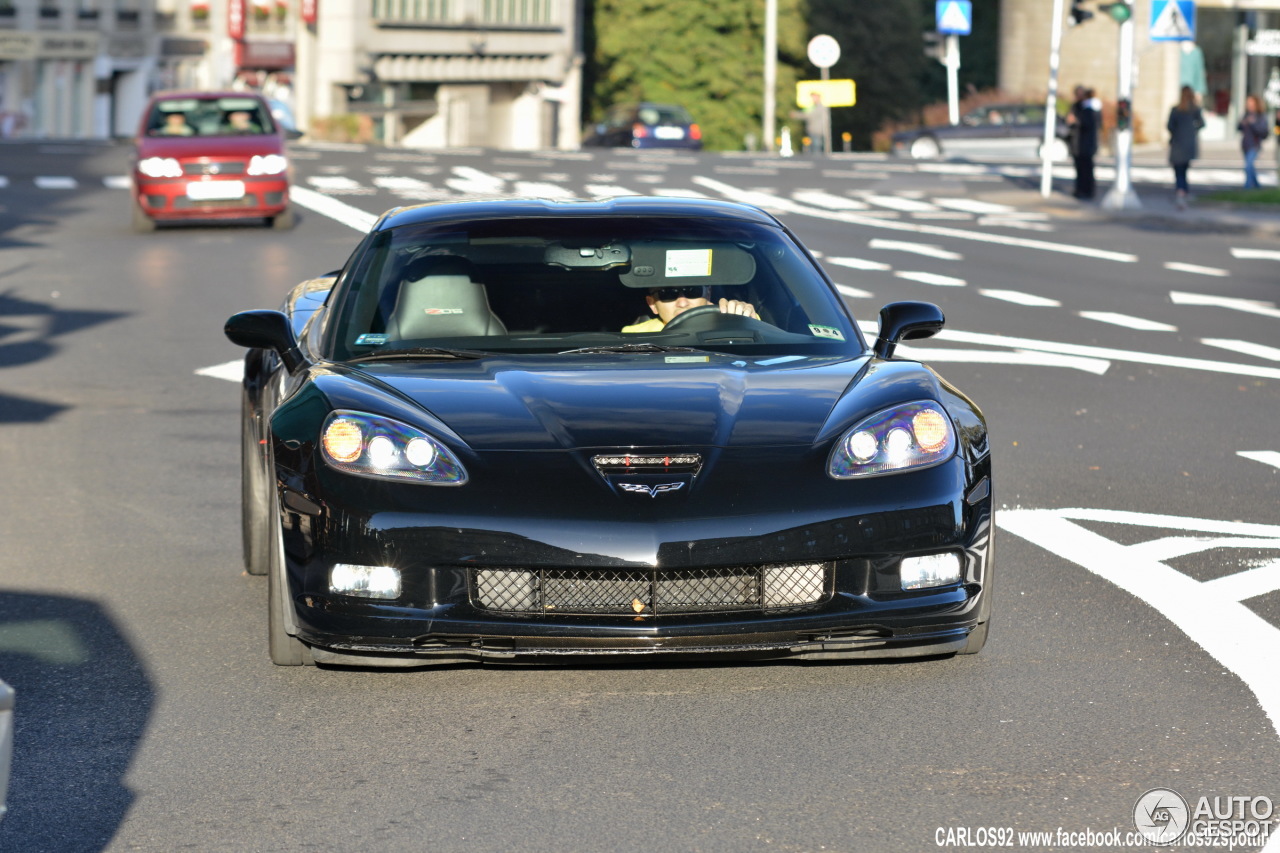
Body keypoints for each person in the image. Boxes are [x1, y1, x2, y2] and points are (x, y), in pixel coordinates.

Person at [621, 286, 758, 333]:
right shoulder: (634, 335)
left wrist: (744, 317)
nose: (682, 302)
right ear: (652, 304)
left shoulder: (732, 323)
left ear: (708, 294)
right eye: (667, 293)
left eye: (693, 291)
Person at [1166, 85, 1204, 210]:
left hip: (1178, 143)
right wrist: (1192, 131)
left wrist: (1179, 132)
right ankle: (1183, 192)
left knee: (1178, 171)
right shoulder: (1194, 109)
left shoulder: (1176, 110)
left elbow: (1170, 126)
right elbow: (1202, 124)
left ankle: (1180, 192)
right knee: (1184, 170)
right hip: (1188, 144)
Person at [1066, 85, 1099, 200]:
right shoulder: (1075, 107)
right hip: (1076, 144)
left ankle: (1088, 191)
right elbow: (1069, 121)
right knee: (1079, 169)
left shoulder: (1090, 107)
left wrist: (1076, 121)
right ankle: (1079, 190)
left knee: (1087, 169)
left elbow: (1090, 124)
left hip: (1087, 144)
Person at [1238, 94, 1268, 190]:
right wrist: (1242, 123)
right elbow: (1238, 128)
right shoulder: (1246, 115)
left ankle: (1247, 187)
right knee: (1250, 166)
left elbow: (1264, 132)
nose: (1249, 104)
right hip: (1246, 145)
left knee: (1248, 166)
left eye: (1251, 102)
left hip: (1254, 145)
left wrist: (1253, 124)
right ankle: (1257, 186)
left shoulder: (1260, 116)